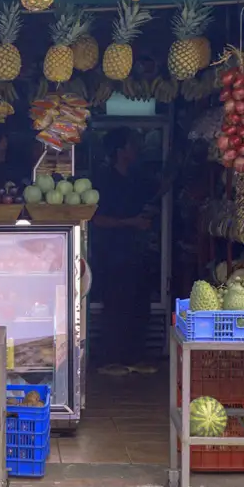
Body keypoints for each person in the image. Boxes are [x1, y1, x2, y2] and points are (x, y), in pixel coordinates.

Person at [92, 127, 157, 375]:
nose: (136, 149)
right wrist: (131, 222)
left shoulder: (134, 177)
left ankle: (134, 357)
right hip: (112, 253)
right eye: (131, 145)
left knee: (140, 303)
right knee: (116, 305)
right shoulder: (104, 180)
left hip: (136, 250)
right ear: (120, 151)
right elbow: (97, 219)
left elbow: (151, 196)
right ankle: (110, 360)